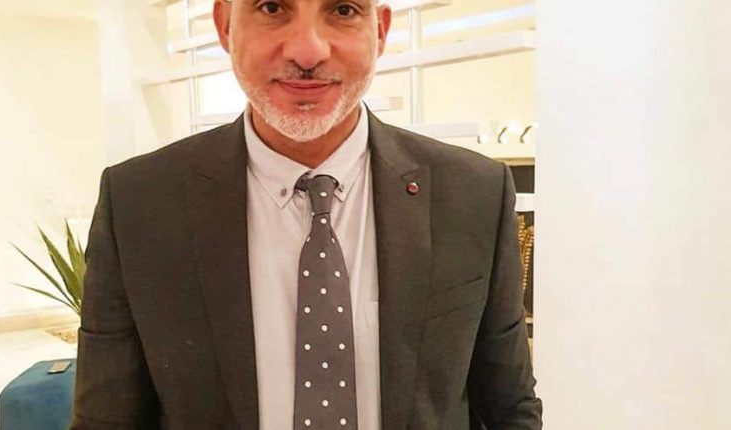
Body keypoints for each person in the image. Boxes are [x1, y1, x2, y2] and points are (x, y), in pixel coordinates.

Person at [70, 0, 542, 428]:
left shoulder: (474, 194)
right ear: (225, 24)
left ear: (379, 30)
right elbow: (106, 419)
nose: (308, 50)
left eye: (343, 10)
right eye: (272, 7)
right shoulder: (140, 203)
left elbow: (508, 406)